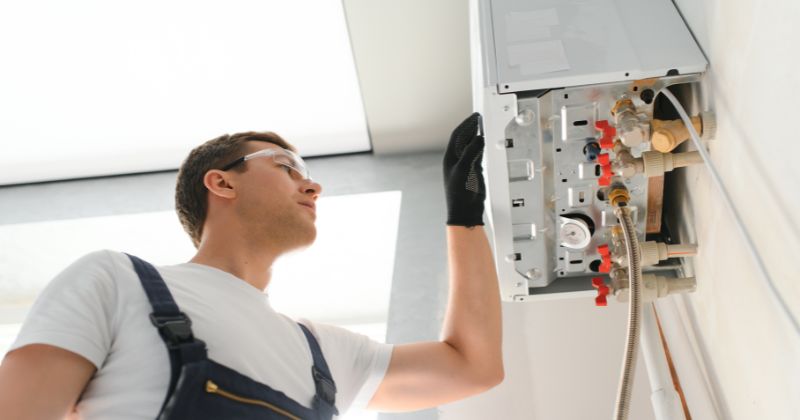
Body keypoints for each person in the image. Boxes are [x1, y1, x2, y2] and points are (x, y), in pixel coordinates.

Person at [0, 113, 502, 419]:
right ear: (221, 184)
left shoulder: (323, 353)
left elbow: (470, 366)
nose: (313, 186)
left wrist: (464, 218)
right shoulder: (115, 281)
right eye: (287, 168)